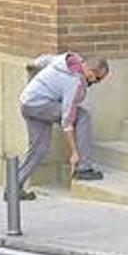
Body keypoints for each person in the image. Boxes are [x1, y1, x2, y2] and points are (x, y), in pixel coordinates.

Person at [14, 52, 108, 200]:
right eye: (96, 79)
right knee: (82, 116)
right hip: (40, 105)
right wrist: (74, 152)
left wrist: (34, 63)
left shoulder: (67, 60)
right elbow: (67, 119)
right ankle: (84, 168)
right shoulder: (74, 82)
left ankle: (14, 187)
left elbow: (44, 59)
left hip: (27, 102)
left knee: (40, 148)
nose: (94, 82)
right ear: (89, 71)